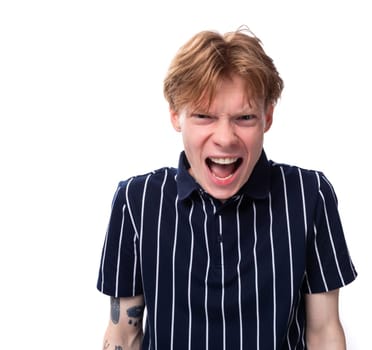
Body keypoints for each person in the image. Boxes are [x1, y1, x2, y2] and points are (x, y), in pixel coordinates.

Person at [97, 26, 357, 350]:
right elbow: (123, 335)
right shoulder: (136, 201)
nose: (225, 137)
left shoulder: (309, 196)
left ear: (268, 117)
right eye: (204, 116)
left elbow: (324, 332)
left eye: (244, 117)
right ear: (176, 115)